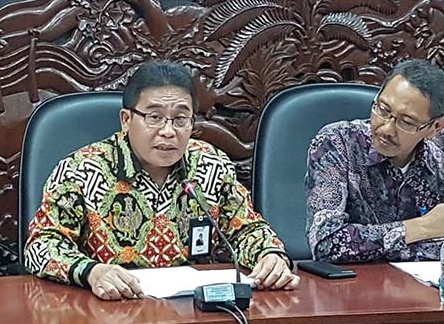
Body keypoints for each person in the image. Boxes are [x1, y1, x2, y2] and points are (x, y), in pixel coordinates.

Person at [24, 61, 299, 300]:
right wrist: (92, 272)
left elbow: (246, 229)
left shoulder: (211, 165)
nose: (168, 131)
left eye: (180, 119)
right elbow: (40, 246)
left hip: (194, 312)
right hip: (110, 312)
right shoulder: (81, 170)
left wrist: (270, 255)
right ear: (126, 120)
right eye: (154, 117)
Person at [306, 59, 444, 263]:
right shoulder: (336, 143)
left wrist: (388, 246)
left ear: (436, 127)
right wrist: (423, 227)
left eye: (406, 122)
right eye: (383, 110)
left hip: (429, 283)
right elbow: (326, 243)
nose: (387, 129)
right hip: (354, 281)